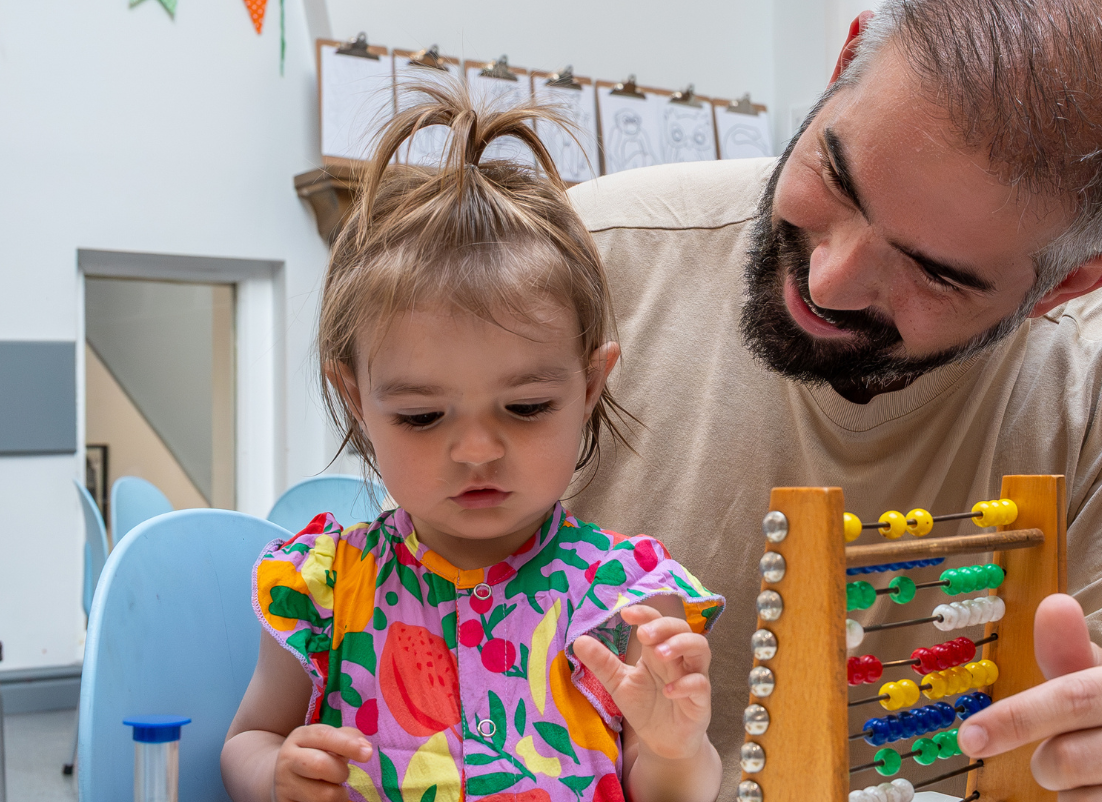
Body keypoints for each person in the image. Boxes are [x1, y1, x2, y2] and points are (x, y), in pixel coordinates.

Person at [566, 0, 1102, 800]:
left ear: (1062, 289)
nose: (829, 283)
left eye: (936, 272)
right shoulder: (589, 261)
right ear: (845, 63)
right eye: (837, 178)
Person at [222, 81, 728, 802]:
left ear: (589, 387)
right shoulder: (325, 588)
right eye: (424, 417)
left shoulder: (621, 602)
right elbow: (248, 739)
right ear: (355, 401)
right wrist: (275, 775)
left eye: (524, 407)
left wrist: (678, 748)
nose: (477, 451)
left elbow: (667, 789)